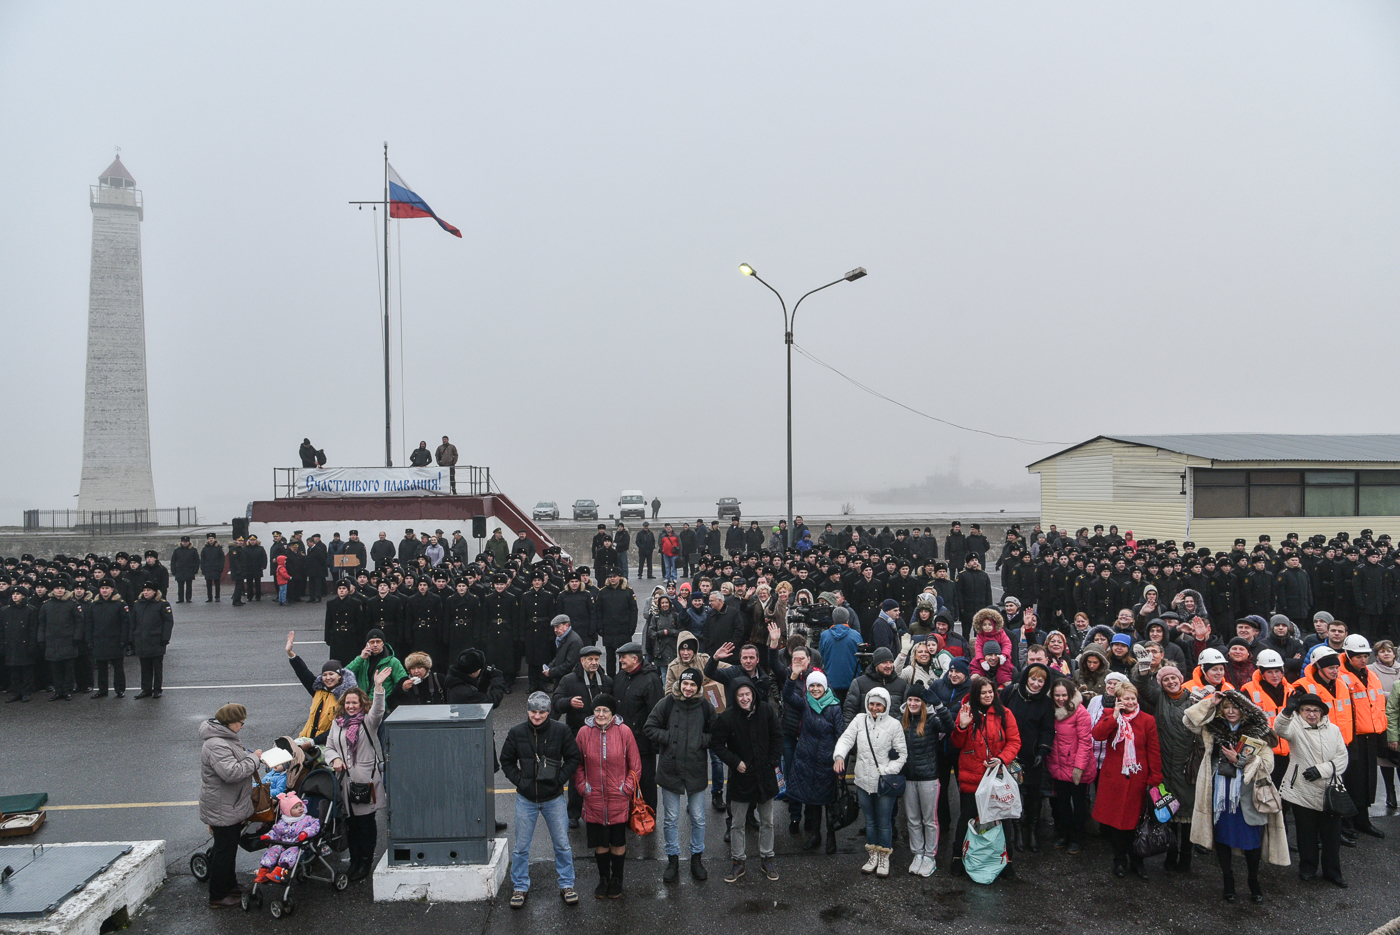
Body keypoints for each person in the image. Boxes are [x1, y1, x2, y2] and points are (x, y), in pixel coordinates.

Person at [1184, 690, 1290, 901]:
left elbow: (1268, 765)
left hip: (1248, 795)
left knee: (1252, 841)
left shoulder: (1258, 731)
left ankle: (1253, 880)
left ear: (1244, 710)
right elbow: (1188, 720)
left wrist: (1240, 759)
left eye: (1235, 708)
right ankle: (1228, 881)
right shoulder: (1213, 727)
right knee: (1222, 839)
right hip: (1220, 794)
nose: (1231, 711)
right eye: (1226, 707)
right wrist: (1210, 703)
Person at [644, 667, 716, 883]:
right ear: (679, 683)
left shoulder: (705, 706)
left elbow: (717, 733)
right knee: (671, 819)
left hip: (696, 769)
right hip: (670, 769)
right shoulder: (666, 703)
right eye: (685, 683)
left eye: (693, 684)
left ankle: (696, 858)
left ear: (698, 686)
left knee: (698, 818)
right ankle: (672, 858)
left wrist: (701, 741)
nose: (688, 688)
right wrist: (669, 737)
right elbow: (649, 727)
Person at [949, 675, 1021, 879]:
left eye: (991, 692)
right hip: (972, 776)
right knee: (967, 817)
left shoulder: (1005, 713)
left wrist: (1001, 759)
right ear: (976, 694)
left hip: (996, 777)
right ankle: (957, 857)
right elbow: (957, 743)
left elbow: (1014, 741)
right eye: (983, 693)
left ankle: (1007, 860)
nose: (988, 696)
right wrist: (962, 727)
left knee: (1003, 819)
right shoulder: (966, 712)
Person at [1276, 691, 1351, 886]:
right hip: (1302, 790)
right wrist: (1286, 712)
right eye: (1306, 710)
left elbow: (1342, 758)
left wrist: (1321, 770)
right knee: (1306, 833)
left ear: (1322, 713)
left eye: (1315, 710)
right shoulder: (1294, 727)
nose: (1311, 714)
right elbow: (1279, 729)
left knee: (1331, 836)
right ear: (1300, 712)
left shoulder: (1334, 730)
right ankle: (1307, 868)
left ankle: (1332, 872)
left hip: (1329, 790)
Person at [713, 676, 783, 883]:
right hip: (741, 777)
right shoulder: (727, 717)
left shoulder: (766, 710)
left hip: (765, 775)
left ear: (753, 694)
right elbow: (717, 744)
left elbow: (777, 735)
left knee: (767, 821)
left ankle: (767, 858)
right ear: (735, 697)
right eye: (740, 695)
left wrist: (773, 761)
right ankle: (738, 862)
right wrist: (735, 762)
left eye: (747, 694)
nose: (745, 698)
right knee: (737, 823)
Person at [1090, 682, 1162, 879]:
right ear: (1118, 700)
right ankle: (1119, 860)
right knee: (1116, 824)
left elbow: (1153, 750)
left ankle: (1137, 860)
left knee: (1136, 822)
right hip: (1114, 778)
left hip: (1138, 778)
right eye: (1126, 699)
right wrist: (1114, 716)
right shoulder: (1110, 715)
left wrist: (1155, 777)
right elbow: (1097, 735)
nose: (1130, 702)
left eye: (1133, 698)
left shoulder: (1147, 720)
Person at [834, 688, 908, 878]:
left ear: (886, 705)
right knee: (870, 821)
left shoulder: (894, 725)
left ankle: (884, 857)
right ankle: (873, 855)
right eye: (871, 704)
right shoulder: (859, 720)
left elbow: (902, 755)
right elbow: (846, 739)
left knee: (884, 822)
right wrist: (839, 755)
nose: (874, 708)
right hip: (862, 781)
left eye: (878, 704)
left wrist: (886, 771)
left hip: (884, 784)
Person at [326, 665, 390, 883]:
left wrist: (378, 687)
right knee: (351, 825)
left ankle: (365, 862)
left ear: (361, 704)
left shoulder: (368, 722)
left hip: (364, 781)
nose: (351, 706)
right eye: (348, 703)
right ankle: (354, 861)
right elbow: (329, 748)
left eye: (355, 703)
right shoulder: (337, 724)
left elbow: (378, 710)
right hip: (345, 783)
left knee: (365, 824)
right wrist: (334, 759)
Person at [573, 693, 641, 899]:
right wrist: (583, 787)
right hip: (593, 799)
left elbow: (635, 766)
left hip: (618, 799)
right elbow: (577, 764)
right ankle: (603, 879)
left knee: (617, 842)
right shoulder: (583, 733)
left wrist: (626, 788)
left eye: (605, 710)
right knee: (600, 843)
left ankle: (617, 879)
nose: (601, 714)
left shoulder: (624, 732)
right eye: (597, 710)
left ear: (613, 713)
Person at [199, 703, 261, 908]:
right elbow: (231, 772)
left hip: (228, 804)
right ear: (229, 722)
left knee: (229, 849)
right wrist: (254, 759)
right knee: (223, 852)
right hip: (223, 806)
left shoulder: (225, 738)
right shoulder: (216, 744)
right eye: (240, 723)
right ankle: (218, 895)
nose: (242, 726)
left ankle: (230, 886)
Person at [899, 689, 954, 875]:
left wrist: (939, 705)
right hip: (908, 778)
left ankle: (930, 856)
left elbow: (949, 727)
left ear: (923, 703)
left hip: (928, 778)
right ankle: (918, 854)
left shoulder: (931, 721)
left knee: (929, 820)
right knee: (913, 819)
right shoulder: (901, 721)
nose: (913, 704)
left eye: (917, 700)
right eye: (910, 700)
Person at [1001, 663, 1054, 852]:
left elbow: (1047, 730)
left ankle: (1031, 830)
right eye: (1033, 679)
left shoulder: (1046, 703)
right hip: (1011, 755)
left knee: (1033, 796)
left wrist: (1042, 752)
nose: (1036, 684)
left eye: (1041, 681)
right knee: (1013, 794)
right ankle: (1016, 830)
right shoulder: (1011, 693)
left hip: (1032, 756)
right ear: (1026, 678)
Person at [612, 641, 664, 810]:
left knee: (646, 782)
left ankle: (648, 815)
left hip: (642, 744)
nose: (620, 660)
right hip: (621, 741)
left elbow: (657, 713)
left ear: (635, 659)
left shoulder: (651, 680)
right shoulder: (620, 676)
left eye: (623, 657)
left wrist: (654, 745)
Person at [37, 577, 84, 700]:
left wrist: (77, 637)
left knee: (68, 668)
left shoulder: (72, 604)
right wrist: (41, 639)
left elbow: (79, 622)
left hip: (68, 641)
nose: (59, 590)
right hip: (52, 641)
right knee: (55, 669)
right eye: (57, 588)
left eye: (62, 588)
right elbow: (42, 624)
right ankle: (58, 691)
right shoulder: (46, 605)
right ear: (53, 590)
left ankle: (68, 691)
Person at [130, 580, 174, 699]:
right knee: (145, 667)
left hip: (156, 640)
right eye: (144, 590)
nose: (146, 592)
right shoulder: (138, 604)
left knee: (157, 667)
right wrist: (132, 638)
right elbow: (133, 622)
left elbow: (168, 622)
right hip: (141, 640)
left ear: (155, 592)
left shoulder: (162, 604)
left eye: (148, 590)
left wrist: (165, 638)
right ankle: (146, 689)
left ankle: (157, 689)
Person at [171, 536, 199, 603]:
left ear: (189, 542)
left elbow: (197, 561)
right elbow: (173, 561)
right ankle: (180, 598)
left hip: (189, 570)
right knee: (180, 586)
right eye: (184, 542)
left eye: (186, 542)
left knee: (189, 586)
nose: (185, 543)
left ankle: (188, 598)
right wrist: (173, 570)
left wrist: (196, 569)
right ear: (181, 542)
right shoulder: (177, 550)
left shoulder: (193, 550)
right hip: (179, 570)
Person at [200, 534, 226, 603]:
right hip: (208, 568)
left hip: (216, 568)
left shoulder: (219, 548)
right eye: (209, 538)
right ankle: (209, 597)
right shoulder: (205, 549)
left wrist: (221, 567)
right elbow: (202, 560)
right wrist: (202, 568)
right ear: (207, 540)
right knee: (208, 584)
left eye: (212, 538)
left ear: (214, 539)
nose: (211, 540)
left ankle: (217, 596)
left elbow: (222, 559)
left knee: (217, 584)